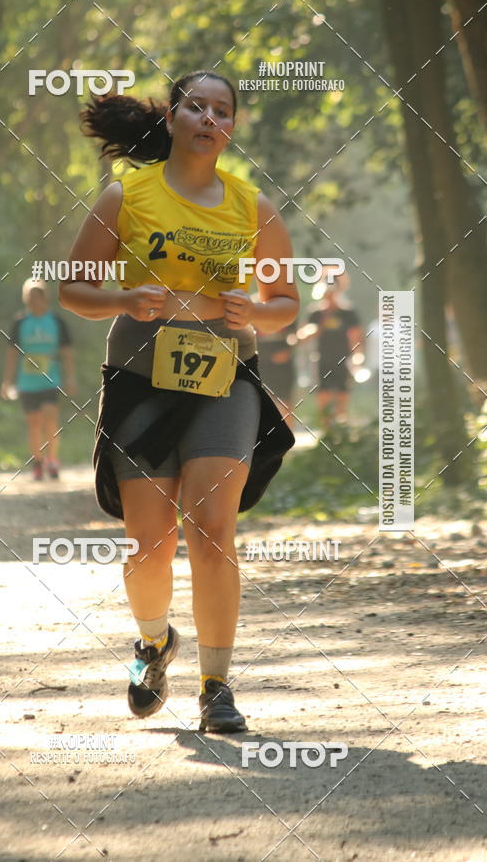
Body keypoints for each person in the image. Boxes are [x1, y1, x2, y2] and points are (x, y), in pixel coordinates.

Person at [59, 71, 299, 733]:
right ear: (171, 118)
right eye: (196, 106)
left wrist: (257, 309)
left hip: (225, 376)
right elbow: (74, 291)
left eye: (222, 110)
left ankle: (217, 687)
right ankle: (153, 642)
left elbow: (285, 308)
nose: (209, 118)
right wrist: (122, 300)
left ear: (231, 127)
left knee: (213, 530)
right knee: (150, 544)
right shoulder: (125, 196)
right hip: (141, 375)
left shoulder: (254, 207)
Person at [1, 279, 75, 480]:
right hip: (27, 381)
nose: (33, 301)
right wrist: (7, 381)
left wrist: (70, 378)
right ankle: (37, 461)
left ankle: (52, 459)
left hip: (51, 379)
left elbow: (66, 352)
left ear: (45, 298)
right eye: (29, 298)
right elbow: (12, 354)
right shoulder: (19, 323)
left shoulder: (56, 321)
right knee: (33, 422)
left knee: (50, 418)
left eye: (37, 297)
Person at [297, 275, 363, 431]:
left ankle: (342, 429)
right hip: (321, 360)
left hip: (343, 360)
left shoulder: (348, 312)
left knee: (342, 394)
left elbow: (356, 337)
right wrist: (317, 326)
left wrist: (358, 357)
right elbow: (304, 334)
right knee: (323, 395)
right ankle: (326, 431)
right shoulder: (316, 312)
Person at [256, 320, 298, 427]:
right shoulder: (253, 308)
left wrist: (289, 349)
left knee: (285, 402)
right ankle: (267, 439)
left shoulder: (287, 308)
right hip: (260, 364)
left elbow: (294, 334)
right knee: (263, 403)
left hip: (283, 366)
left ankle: (288, 438)